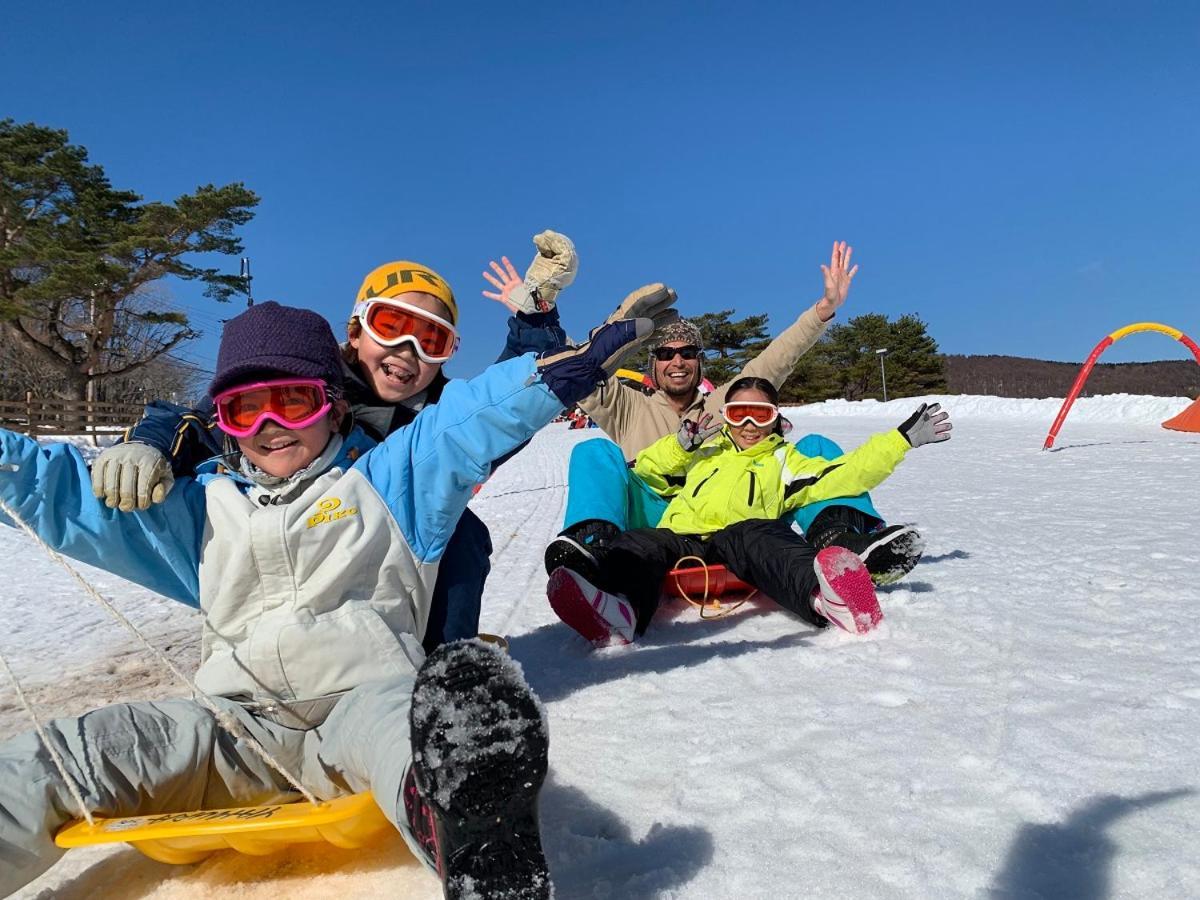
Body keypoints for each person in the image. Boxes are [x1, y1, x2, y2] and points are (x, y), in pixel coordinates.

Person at [0, 298, 657, 898]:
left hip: (363, 704)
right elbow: (48, 493)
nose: (268, 426)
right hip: (233, 729)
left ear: (333, 405)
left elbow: (471, 421)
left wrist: (563, 371)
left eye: (291, 402)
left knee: (420, 736)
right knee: (63, 756)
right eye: (243, 408)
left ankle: (478, 840)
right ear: (223, 422)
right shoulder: (198, 510)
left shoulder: (391, 481)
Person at [91, 233, 577, 652]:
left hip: (386, 538)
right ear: (355, 331)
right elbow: (203, 421)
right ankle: (266, 664)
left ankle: (444, 661)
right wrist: (151, 444)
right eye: (391, 327)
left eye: (431, 340)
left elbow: (514, 393)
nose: (408, 351)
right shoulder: (308, 386)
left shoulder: (443, 414)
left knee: (462, 534)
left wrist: (535, 317)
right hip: (288, 530)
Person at [545, 242, 924, 589]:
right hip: (660, 526)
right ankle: (594, 549)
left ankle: (842, 544)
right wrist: (540, 311)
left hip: (737, 515)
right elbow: (575, 370)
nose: (677, 361)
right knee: (593, 451)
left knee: (815, 447)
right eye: (665, 354)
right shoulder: (626, 406)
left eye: (688, 352)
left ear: (699, 361)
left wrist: (822, 311)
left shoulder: (724, 404)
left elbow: (775, 361)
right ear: (653, 364)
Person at [546, 376, 952, 645]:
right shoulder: (705, 451)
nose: (749, 425)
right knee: (639, 545)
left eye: (761, 415)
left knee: (764, 535)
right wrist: (680, 448)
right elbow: (647, 474)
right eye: (739, 414)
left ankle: (826, 599)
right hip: (683, 536)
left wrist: (899, 441)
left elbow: (845, 473)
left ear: (776, 420)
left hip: (740, 538)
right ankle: (622, 611)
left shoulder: (784, 459)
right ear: (726, 417)